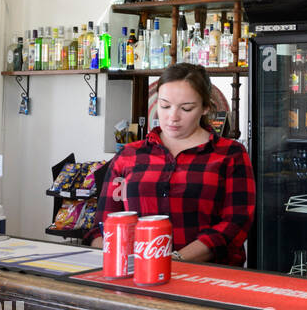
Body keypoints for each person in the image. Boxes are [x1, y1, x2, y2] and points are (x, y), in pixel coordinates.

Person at [88, 63, 255, 265]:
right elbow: (103, 224)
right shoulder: (129, 154)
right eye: (165, 106)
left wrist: (174, 260)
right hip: (135, 274)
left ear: (205, 108)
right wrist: (111, 260)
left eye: (186, 108)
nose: (172, 117)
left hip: (207, 275)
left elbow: (235, 224)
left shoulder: (229, 154)